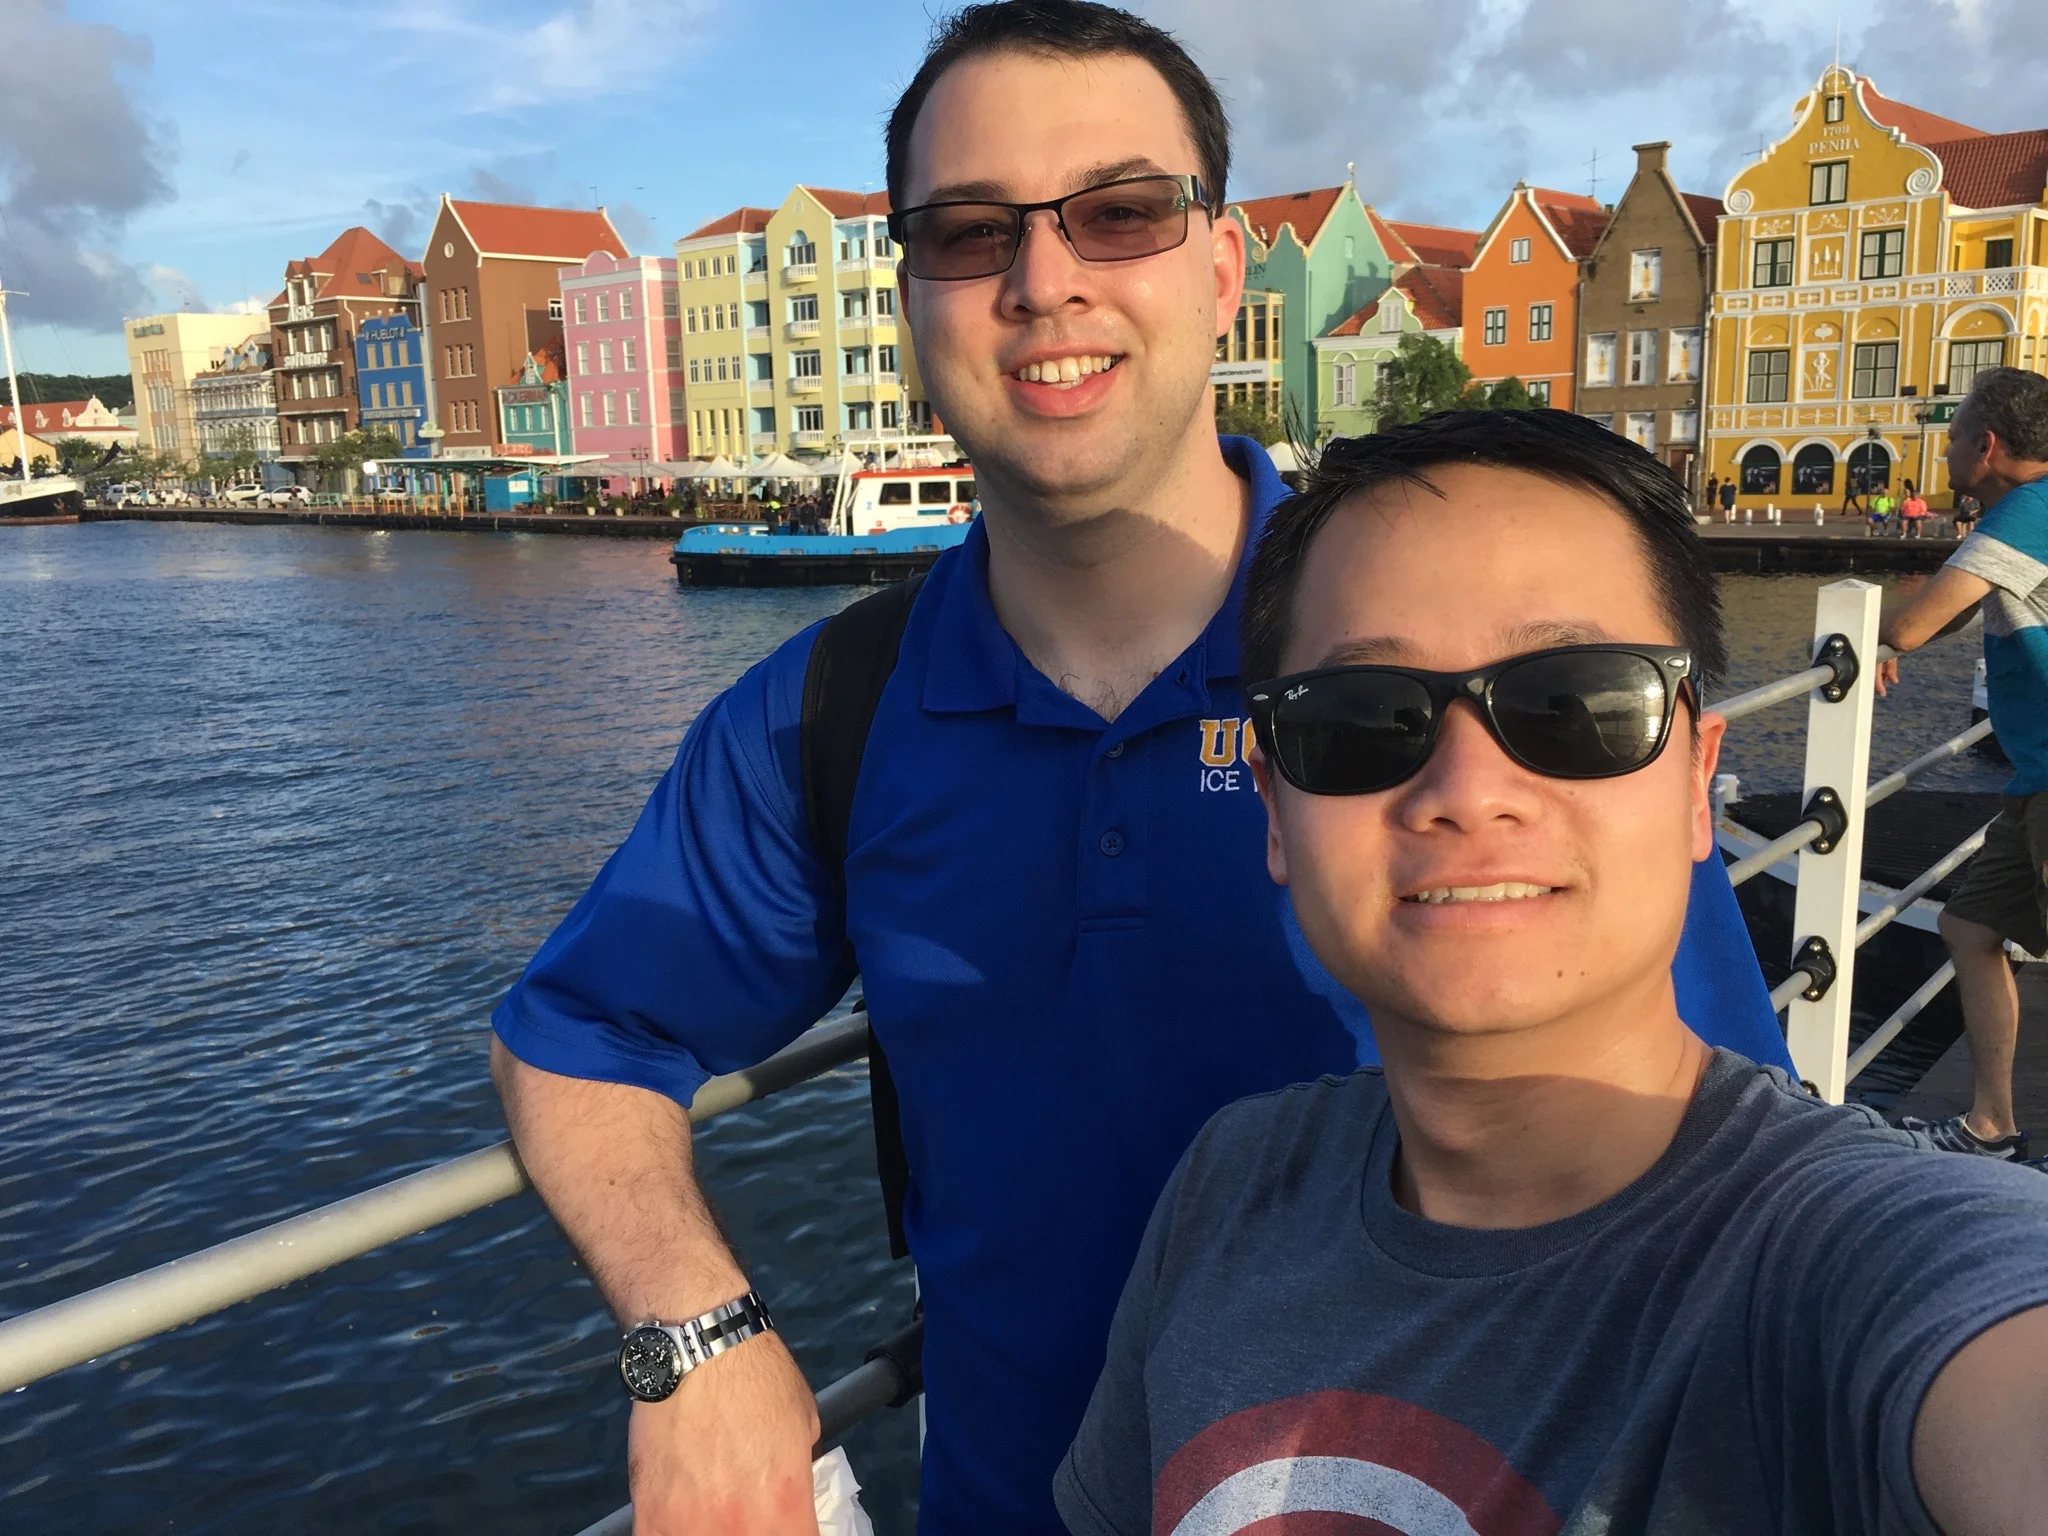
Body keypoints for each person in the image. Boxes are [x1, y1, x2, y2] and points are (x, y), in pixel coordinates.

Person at [486, 6, 1793, 1533]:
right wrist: (696, 1334)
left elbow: (1741, 1168)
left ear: (1225, 270)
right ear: (911, 297)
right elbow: (579, 1032)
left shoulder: (1470, 690)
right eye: (971, 233)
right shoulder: (826, 715)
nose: (1046, 282)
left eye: (1119, 214)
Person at [1056, 410, 2048, 1536]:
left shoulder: (1854, 1260)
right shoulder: (1228, 1187)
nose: (1467, 788)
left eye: (1575, 704)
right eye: (1361, 720)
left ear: (1693, 780)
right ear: (1274, 809)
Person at [1878, 367, 2048, 1160]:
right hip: (2034, 777)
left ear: (1986, 445)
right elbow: (1963, 603)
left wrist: (1867, 633)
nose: (1944, 453)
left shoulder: (2024, 513)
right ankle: (1990, 1126)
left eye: (1951, 438)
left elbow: (1915, 625)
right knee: (1969, 924)